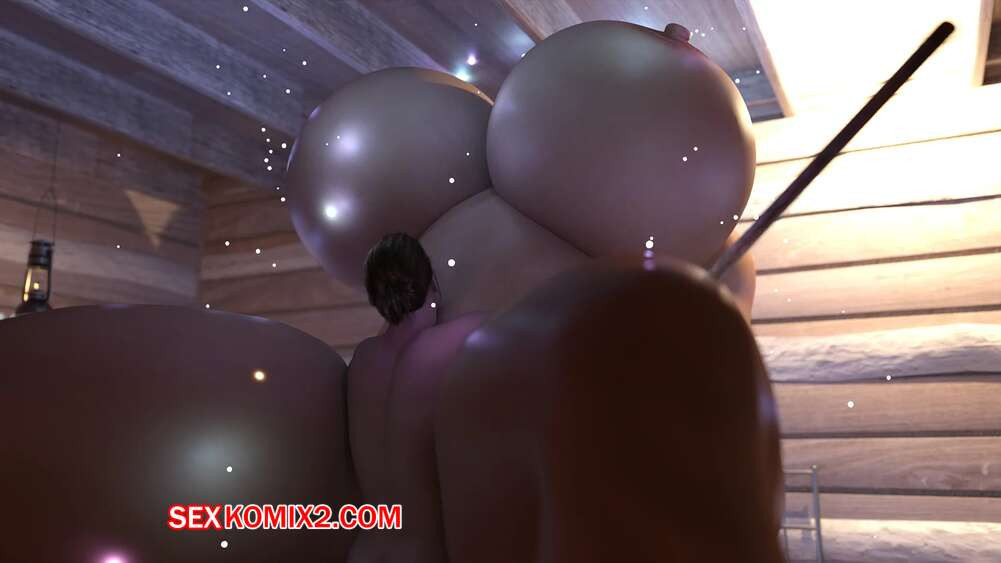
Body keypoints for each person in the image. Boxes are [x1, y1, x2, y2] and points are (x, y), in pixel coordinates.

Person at [346, 233, 487, 563]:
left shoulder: (363, 357)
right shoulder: (447, 341)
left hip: (365, 550)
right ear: (433, 284)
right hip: (419, 552)